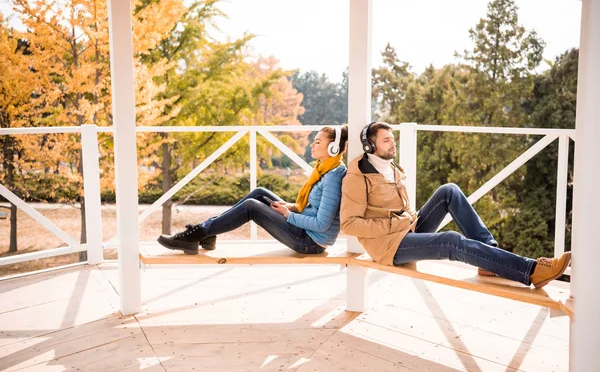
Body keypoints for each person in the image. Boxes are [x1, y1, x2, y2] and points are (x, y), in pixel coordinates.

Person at [340, 122, 571, 289]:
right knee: (451, 240)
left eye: (393, 138)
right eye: (386, 140)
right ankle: (530, 271)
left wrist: (406, 220)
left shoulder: (392, 167)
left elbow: (404, 208)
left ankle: (489, 258)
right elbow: (349, 225)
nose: (393, 144)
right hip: (388, 246)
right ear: (370, 146)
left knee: (449, 190)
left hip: (407, 230)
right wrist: (393, 224)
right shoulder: (358, 176)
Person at [158, 125, 349, 255]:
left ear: (333, 148)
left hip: (309, 241)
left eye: (317, 142)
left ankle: (199, 234)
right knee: (260, 193)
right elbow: (310, 207)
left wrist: (287, 215)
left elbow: (321, 224)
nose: (311, 145)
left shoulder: (332, 177)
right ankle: (207, 233)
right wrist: (290, 207)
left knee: (251, 206)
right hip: (304, 230)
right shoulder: (325, 169)